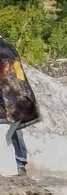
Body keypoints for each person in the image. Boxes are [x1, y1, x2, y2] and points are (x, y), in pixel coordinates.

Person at [0, 36, 37, 175]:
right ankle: (18, 166)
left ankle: (16, 167)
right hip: (18, 98)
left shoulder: (4, 49)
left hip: (9, 100)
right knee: (10, 134)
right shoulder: (8, 47)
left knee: (5, 136)